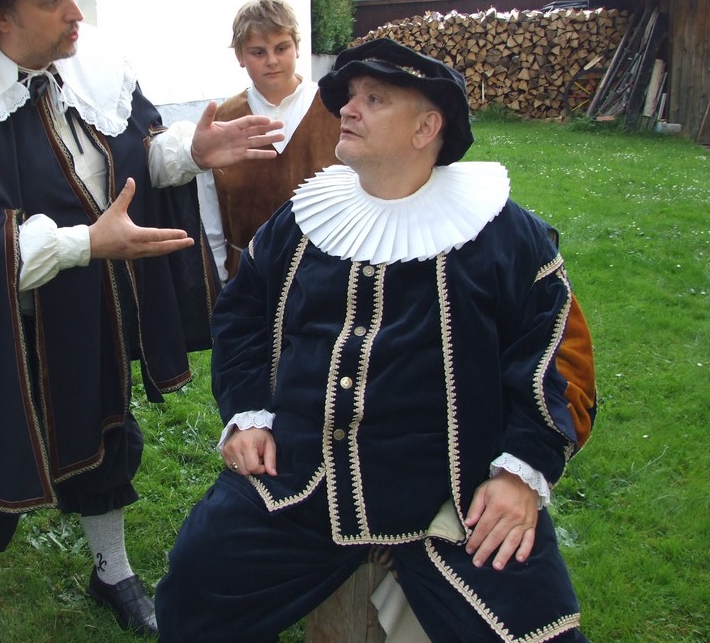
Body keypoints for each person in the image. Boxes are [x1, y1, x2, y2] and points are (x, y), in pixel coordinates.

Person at [0, 0, 283, 642]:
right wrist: (82, 243)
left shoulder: (92, 65)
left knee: (102, 433)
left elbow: (128, 158)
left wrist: (190, 153)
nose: (76, 12)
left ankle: (113, 572)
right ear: (0, 16)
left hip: (87, 300)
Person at [155, 38, 598, 642]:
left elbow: (553, 361)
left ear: (426, 128)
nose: (348, 109)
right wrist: (249, 413)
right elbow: (242, 316)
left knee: (537, 633)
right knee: (194, 588)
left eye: (374, 99)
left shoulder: (504, 236)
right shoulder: (304, 218)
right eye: (350, 97)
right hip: (300, 480)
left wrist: (521, 472)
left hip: (456, 498)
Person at [197, 0, 340, 282]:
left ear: (297, 47)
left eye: (281, 48)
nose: (272, 61)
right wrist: (220, 278)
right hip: (248, 279)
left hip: (326, 277)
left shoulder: (336, 110)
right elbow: (210, 212)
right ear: (240, 56)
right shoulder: (223, 121)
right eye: (258, 52)